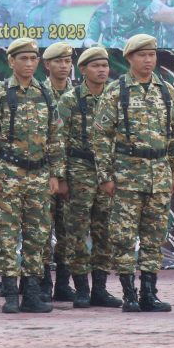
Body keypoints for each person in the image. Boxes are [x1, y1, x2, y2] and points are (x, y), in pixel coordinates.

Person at [92, 34, 174, 313]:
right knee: (123, 237)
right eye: (142, 55)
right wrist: (105, 176)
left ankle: (149, 293)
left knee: (154, 238)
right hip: (127, 175)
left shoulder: (166, 91)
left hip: (159, 175)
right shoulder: (116, 91)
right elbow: (101, 136)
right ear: (130, 58)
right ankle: (129, 293)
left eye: (152, 55)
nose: (148, 60)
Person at [0, 38, 64, 315]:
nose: (28, 64)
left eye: (33, 59)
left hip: (39, 174)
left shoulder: (45, 92)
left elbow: (55, 135)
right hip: (8, 173)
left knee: (37, 236)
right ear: (11, 62)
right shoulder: (0, 93)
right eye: (23, 59)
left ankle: (32, 294)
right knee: (6, 235)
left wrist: (55, 174)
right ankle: (11, 293)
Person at [57, 46, 123, 306]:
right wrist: (61, 177)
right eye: (96, 66)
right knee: (76, 231)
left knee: (104, 230)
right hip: (79, 170)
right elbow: (59, 140)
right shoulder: (70, 100)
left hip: (108, 171)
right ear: (83, 69)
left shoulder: (116, 97)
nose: (102, 70)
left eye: (105, 65)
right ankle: (82, 288)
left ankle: (100, 289)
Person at [40, 41, 75, 302]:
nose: (64, 66)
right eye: (58, 61)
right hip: (42, 170)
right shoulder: (38, 93)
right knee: (41, 228)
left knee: (68, 230)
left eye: (67, 61)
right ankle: (40, 282)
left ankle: (63, 283)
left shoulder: (78, 94)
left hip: (75, 171)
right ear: (47, 65)